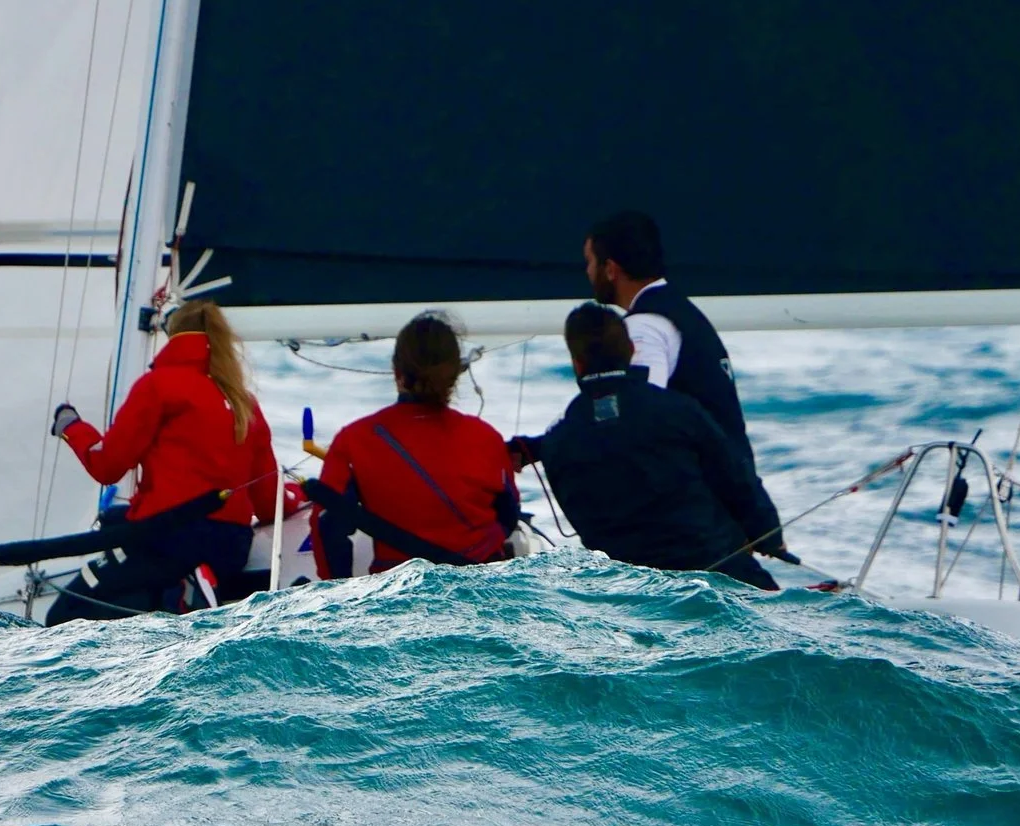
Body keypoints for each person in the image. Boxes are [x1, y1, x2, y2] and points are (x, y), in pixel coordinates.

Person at [511, 304, 779, 590]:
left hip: (626, 591)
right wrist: (769, 534)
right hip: (718, 574)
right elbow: (735, 477)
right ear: (630, 351)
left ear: (577, 363)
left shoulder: (557, 443)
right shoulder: (680, 412)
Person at [47, 299, 278, 623]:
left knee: (63, 614)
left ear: (174, 335)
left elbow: (107, 466)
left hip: (166, 540)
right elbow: (269, 504)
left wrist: (72, 427)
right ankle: (191, 585)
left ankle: (182, 591)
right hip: (232, 546)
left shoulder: (158, 387)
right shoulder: (245, 402)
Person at [583, 209, 791, 560]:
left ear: (610, 269)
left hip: (703, 515)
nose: (587, 273)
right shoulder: (682, 312)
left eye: (589, 262)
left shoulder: (646, 327)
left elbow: (637, 416)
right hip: (732, 500)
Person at [309, 312, 520, 577]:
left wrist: (338, 595)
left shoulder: (355, 440)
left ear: (396, 371)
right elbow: (508, 515)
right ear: (455, 375)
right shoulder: (486, 438)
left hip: (399, 595)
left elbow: (328, 526)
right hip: (479, 590)